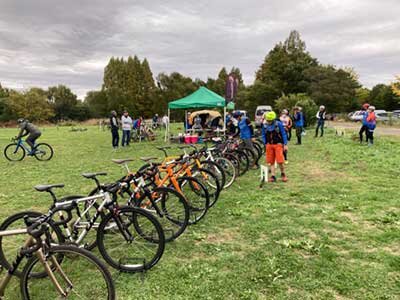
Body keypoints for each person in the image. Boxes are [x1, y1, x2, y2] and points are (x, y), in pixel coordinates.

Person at [261, 111, 288, 182]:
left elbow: (283, 134)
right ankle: (273, 176)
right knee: (271, 161)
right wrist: (265, 143)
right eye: (267, 120)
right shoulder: (265, 125)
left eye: (270, 120)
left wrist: (285, 144)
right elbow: (263, 134)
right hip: (269, 145)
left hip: (278, 144)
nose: (268, 122)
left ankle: (283, 174)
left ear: (273, 120)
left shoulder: (278, 124)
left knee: (280, 161)